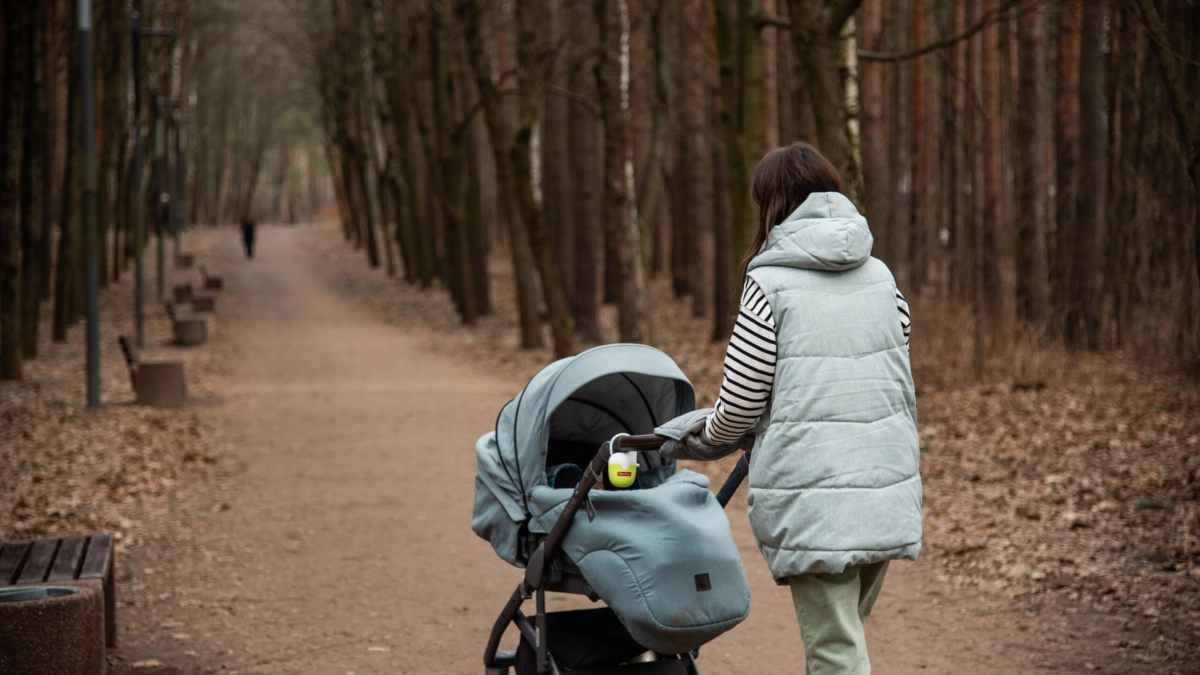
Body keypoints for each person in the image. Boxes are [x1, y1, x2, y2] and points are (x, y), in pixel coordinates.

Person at [659, 142, 920, 674]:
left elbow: (740, 404)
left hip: (818, 496)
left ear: (772, 206)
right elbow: (887, 363)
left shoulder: (768, 285)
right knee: (843, 647)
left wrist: (700, 438)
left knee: (836, 655)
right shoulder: (882, 277)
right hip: (886, 485)